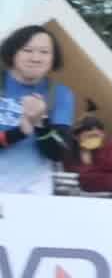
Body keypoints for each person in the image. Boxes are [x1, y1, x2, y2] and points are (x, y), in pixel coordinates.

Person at [0, 23, 74, 196]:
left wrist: (41, 124)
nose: (36, 58)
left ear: (53, 59)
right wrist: (20, 132)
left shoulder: (60, 93)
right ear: (13, 53)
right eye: (27, 50)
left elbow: (58, 153)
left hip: (34, 192)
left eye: (44, 52)